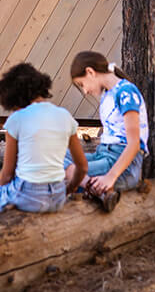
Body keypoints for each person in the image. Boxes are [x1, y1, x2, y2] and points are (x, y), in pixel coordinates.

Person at [0, 62, 88, 223]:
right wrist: (70, 188)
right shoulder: (65, 116)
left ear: (16, 98)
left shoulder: (17, 119)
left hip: (28, 194)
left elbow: (7, 173)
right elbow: (82, 166)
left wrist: (0, 197)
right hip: (58, 196)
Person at [63, 50, 149, 213]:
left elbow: (134, 144)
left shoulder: (126, 92)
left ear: (90, 72)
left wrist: (110, 177)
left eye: (82, 84)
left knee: (56, 171)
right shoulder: (108, 95)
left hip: (123, 167)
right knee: (54, 156)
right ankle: (94, 188)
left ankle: (93, 187)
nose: (85, 91)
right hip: (103, 156)